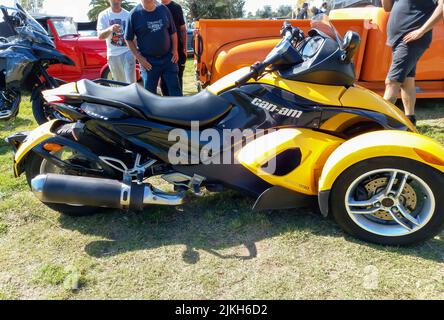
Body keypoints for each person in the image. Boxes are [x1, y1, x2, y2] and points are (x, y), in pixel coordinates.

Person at [382, 0, 443, 126]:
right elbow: (387, 8)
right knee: (406, 81)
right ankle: (410, 122)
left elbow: (442, 8)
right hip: (399, 38)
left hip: (412, 40)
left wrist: (421, 31)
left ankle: (380, 123)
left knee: (392, 82)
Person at [125, 0, 182, 96]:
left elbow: (173, 31)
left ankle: (178, 111)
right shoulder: (134, 14)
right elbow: (128, 39)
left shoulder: (163, 9)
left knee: (175, 90)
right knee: (149, 94)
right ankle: (152, 112)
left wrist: (174, 50)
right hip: (148, 62)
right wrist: (139, 58)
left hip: (168, 58)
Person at [97, 0, 136, 84]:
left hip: (127, 51)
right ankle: (123, 97)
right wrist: (110, 29)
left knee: (130, 82)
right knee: (119, 83)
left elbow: (134, 36)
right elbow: (100, 36)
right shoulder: (103, 15)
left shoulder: (128, 14)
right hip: (113, 54)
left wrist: (136, 54)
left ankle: (132, 96)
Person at [160, 0, 188, 96]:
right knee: (164, 81)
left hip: (178, 51)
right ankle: (166, 104)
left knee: (178, 78)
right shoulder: (155, 7)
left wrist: (184, 48)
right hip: (162, 52)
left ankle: (179, 105)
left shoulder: (176, 7)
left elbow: (183, 29)